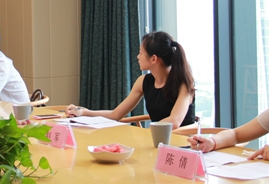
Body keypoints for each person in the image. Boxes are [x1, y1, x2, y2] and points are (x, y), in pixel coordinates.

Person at [65, 31, 196, 128]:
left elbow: (174, 121)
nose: (138, 57)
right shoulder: (143, 81)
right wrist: (84, 112)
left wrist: (146, 134)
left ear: (153, 59)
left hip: (183, 147)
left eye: (140, 53)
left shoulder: (183, 84)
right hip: (158, 143)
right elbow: (116, 114)